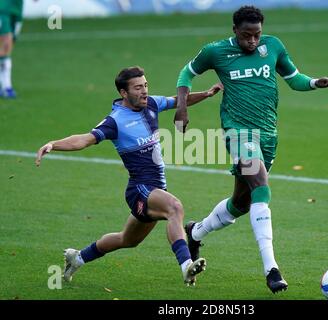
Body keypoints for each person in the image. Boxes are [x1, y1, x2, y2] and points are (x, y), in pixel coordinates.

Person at [174, 5, 328, 293]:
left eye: (256, 35)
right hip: (238, 133)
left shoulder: (273, 46)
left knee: (241, 203)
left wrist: (315, 83)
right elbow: (185, 74)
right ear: (234, 31)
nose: (252, 41)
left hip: (268, 135)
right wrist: (182, 109)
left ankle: (195, 231)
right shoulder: (215, 51)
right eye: (246, 36)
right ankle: (271, 269)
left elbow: (294, 79)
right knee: (261, 185)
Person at [35, 66, 223, 286]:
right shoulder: (115, 121)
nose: (144, 91)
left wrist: (206, 94)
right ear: (124, 93)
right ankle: (186, 266)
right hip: (140, 190)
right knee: (175, 207)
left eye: (145, 85)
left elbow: (177, 100)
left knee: (127, 239)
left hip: (154, 189)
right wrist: (53, 144)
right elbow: (85, 139)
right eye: (137, 87)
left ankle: (77, 258)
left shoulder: (151, 103)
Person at [0, 0, 31, 98]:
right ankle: (7, 87)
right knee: (6, 44)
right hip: (3, 8)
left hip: (17, 9)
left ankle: (4, 86)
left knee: (7, 49)